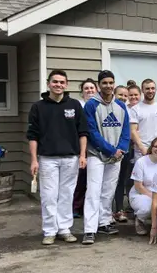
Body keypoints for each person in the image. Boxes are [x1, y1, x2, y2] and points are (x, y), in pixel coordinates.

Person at [27, 69, 87, 245]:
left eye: (62, 82)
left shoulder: (75, 105)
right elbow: (32, 136)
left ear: (66, 85)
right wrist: (34, 160)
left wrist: (82, 155)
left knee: (67, 195)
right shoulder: (38, 107)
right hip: (47, 158)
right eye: (55, 82)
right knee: (49, 196)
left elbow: (83, 132)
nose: (58, 85)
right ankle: (50, 231)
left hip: (71, 158)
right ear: (48, 84)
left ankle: (64, 229)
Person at [82, 70, 131, 245]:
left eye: (111, 83)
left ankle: (103, 222)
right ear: (99, 85)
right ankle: (89, 229)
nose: (108, 86)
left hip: (116, 156)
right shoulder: (91, 105)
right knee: (93, 191)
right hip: (96, 154)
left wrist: (121, 149)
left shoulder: (121, 106)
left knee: (108, 190)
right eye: (104, 83)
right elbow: (92, 132)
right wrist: (110, 150)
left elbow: (126, 130)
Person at [129, 137, 157, 235]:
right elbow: (138, 186)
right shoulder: (141, 162)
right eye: (156, 147)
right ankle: (140, 219)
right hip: (141, 194)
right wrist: (155, 197)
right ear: (152, 147)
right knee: (147, 207)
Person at [72, 78, 98, 218]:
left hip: (97, 146)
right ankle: (77, 206)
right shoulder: (78, 106)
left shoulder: (99, 105)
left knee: (94, 179)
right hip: (81, 145)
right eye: (86, 88)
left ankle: (91, 207)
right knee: (80, 178)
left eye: (92, 88)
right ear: (82, 92)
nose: (89, 90)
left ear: (96, 90)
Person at [130, 79, 157, 160]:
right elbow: (133, 131)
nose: (150, 91)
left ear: (156, 89)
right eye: (147, 88)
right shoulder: (135, 109)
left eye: (152, 88)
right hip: (141, 151)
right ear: (142, 90)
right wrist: (142, 149)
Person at [113, 85, 132, 222]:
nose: (123, 98)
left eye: (126, 95)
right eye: (120, 94)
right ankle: (109, 211)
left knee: (122, 180)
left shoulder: (131, 110)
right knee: (110, 182)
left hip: (126, 149)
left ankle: (120, 209)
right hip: (111, 150)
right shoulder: (110, 108)